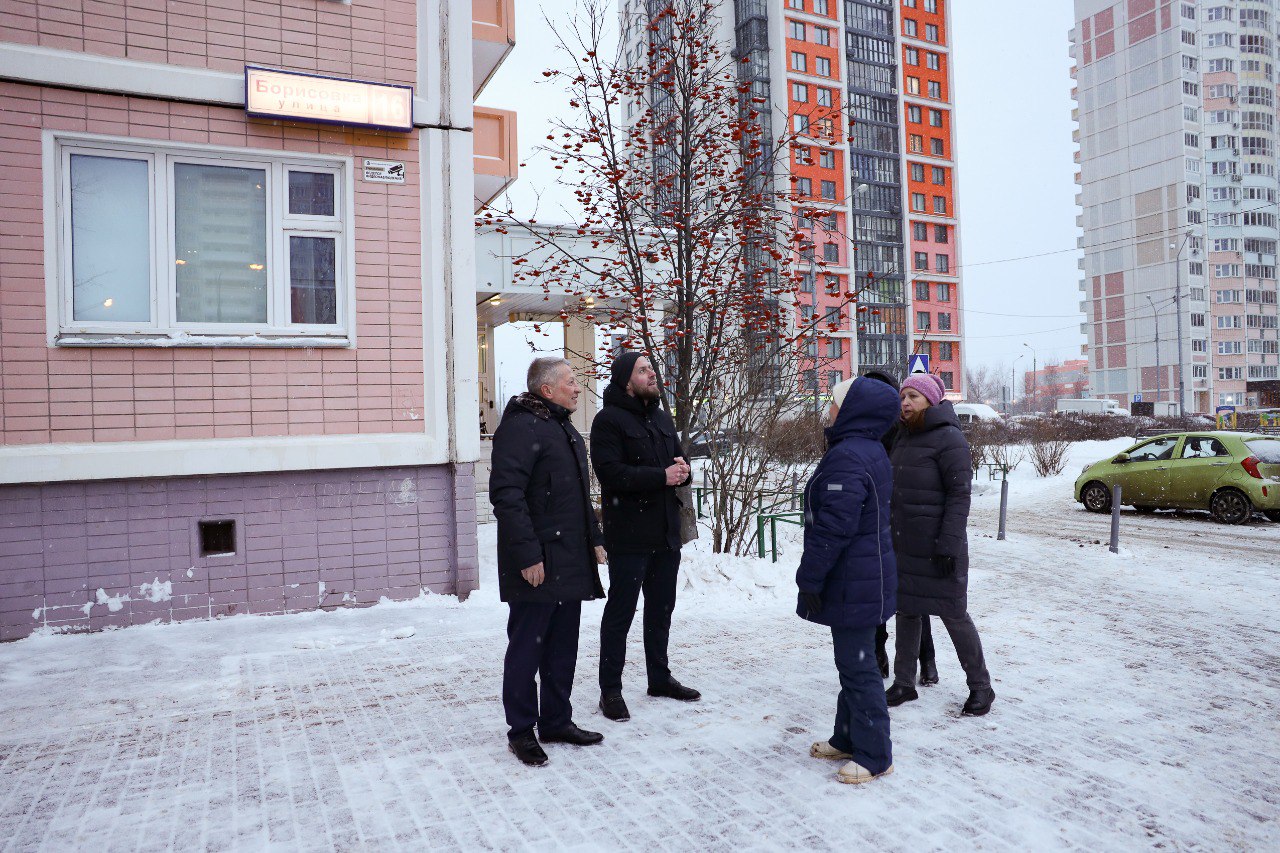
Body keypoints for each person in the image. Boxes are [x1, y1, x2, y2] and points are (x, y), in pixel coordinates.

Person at [490, 357, 608, 766]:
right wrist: (527, 555)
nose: (577, 388)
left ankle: (556, 721)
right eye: (571, 382)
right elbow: (507, 495)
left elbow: (577, 495)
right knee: (527, 649)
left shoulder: (563, 428)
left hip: (569, 558)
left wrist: (595, 539)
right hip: (537, 563)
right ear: (547, 389)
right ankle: (521, 730)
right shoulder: (521, 428)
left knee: (561, 647)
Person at [797, 376, 900, 784]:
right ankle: (847, 737)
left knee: (858, 669)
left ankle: (875, 755)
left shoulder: (849, 456)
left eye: (836, 401)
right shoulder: (867, 448)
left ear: (853, 410)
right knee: (853, 663)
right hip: (866, 576)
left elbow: (834, 527)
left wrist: (809, 577)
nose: (829, 408)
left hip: (853, 579)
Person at [591, 352, 699, 722]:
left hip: (666, 533)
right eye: (643, 370)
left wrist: (684, 470)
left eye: (651, 368)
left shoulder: (661, 417)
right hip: (629, 536)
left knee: (661, 609)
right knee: (621, 612)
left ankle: (659, 678)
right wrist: (661, 476)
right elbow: (611, 473)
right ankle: (610, 690)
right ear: (626, 381)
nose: (652, 374)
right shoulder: (608, 421)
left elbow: (679, 463)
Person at [885, 373, 995, 717]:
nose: (905, 403)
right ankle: (904, 683)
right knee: (906, 612)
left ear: (930, 401)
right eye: (903, 396)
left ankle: (981, 687)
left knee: (954, 615)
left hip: (938, 548)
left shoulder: (950, 438)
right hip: (905, 544)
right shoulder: (903, 436)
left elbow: (959, 496)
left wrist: (948, 545)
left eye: (913, 397)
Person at [864, 370, 937, 685]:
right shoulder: (905, 429)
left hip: (888, 522)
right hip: (898, 522)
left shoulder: (875, 431)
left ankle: (883, 657)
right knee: (910, 597)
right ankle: (926, 662)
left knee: (886, 595)